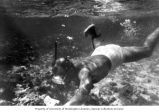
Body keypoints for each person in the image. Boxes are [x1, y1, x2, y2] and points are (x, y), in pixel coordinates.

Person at [52, 24, 159, 106]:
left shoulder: (84, 73)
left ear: (69, 70)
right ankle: (93, 34)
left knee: (147, 51)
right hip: (99, 52)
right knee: (97, 49)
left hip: (113, 54)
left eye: (63, 76)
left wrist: (66, 107)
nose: (64, 78)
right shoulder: (74, 66)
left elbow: (83, 94)